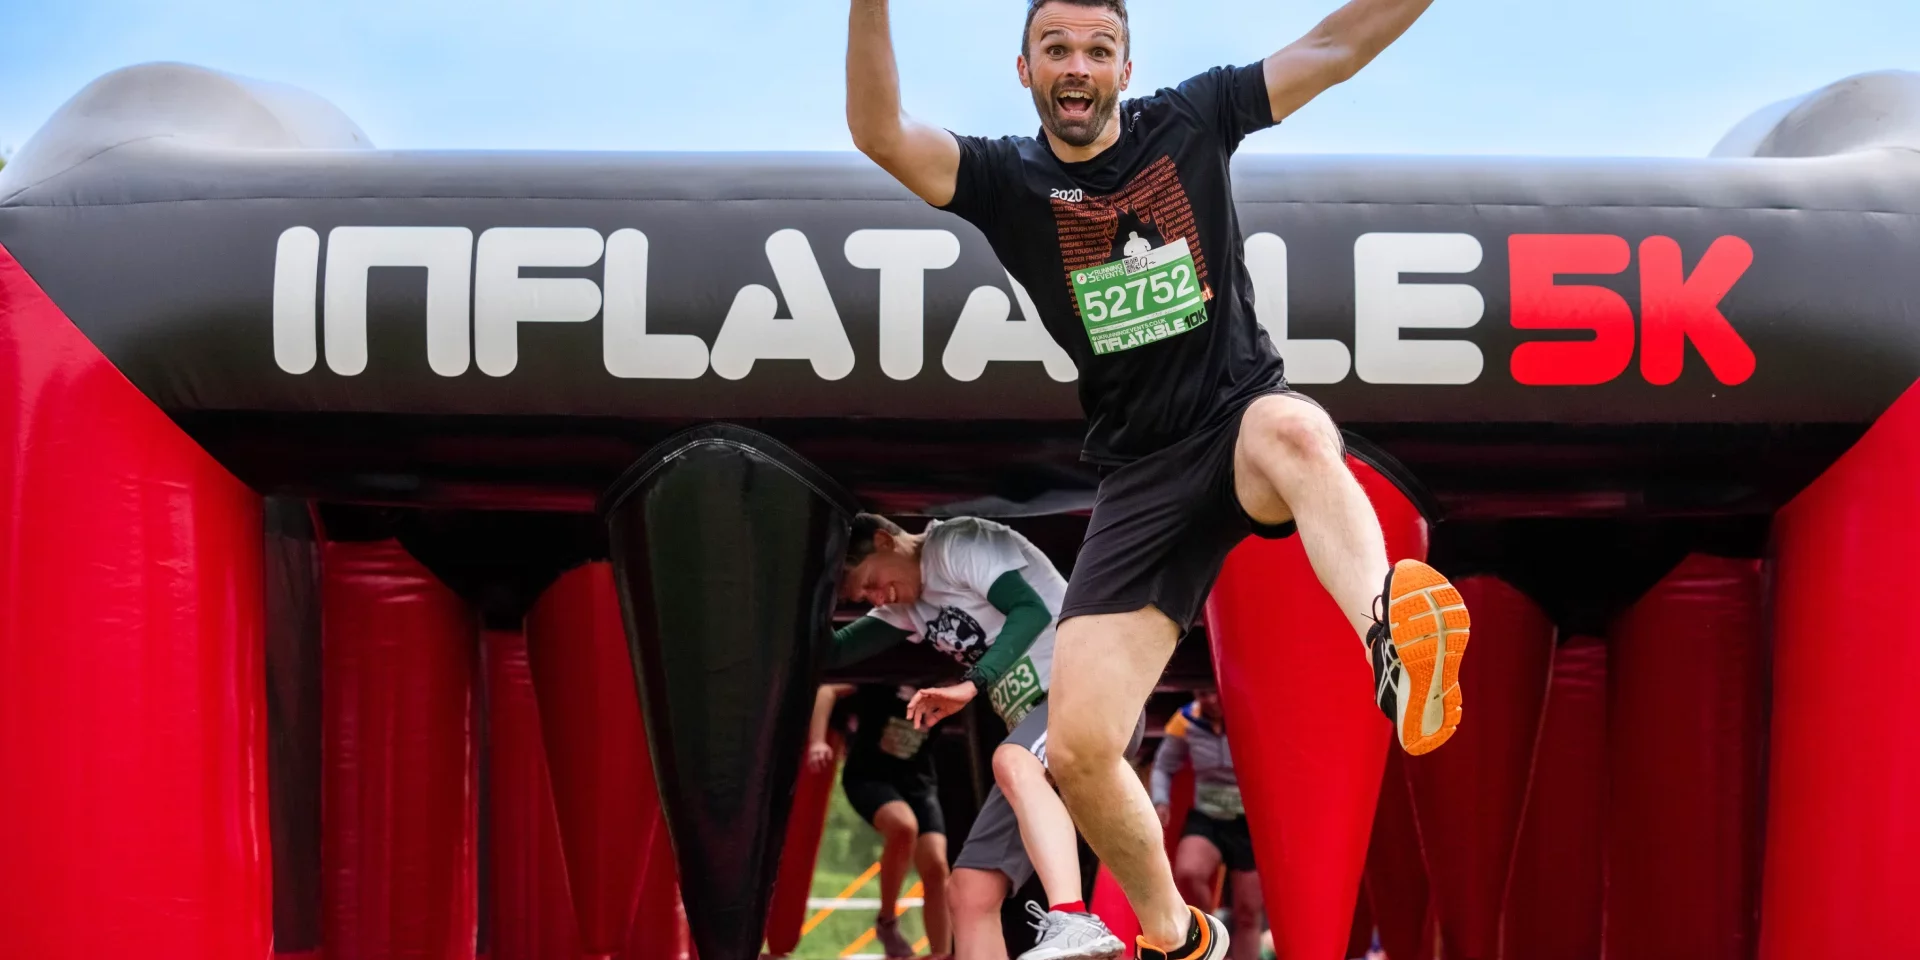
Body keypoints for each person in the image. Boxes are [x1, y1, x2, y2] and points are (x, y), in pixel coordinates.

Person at [844, 1, 1473, 957]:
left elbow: (1335, 47)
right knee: (1087, 749)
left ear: (1124, 70)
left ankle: (1391, 640)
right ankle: (1181, 936)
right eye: (1057, 50)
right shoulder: (1006, 178)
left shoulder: (1194, 118)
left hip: (1236, 424)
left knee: (1300, 429)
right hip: (1139, 477)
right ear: (1026, 71)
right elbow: (879, 132)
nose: (1078, 67)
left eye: (1098, 50)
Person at [832, 513, 1139, 960]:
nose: (877, 597)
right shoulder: (909, 607)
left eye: (871, 582)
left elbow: (1030, 609)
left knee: (1012, 761)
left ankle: (1073, 918)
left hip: (1087, 694)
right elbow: (834, 650)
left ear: (885, 540)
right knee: (969, 891)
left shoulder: (955, 544)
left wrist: (972, 683)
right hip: (1040, 731)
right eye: (862, 597)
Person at [809, 682, 955, 958]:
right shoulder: (886, 670)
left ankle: (941, 954)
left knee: (936, 865)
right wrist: (817, 742)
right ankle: (887, 922)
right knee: (904, 826)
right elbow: (826, 690)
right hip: (868, 776)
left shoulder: (944, 676)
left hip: (918, 782)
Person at [1151, 692, 1262, 960]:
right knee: (1188, 871)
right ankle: (1212, 933)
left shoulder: (1250, 713)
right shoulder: (1186, 719)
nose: (1211, 700)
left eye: (1215, 692)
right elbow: (1163, 766)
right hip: (1207, 818)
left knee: (1248, 911)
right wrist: (1161, 800)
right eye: (1203, 694)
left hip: (1247, 823)